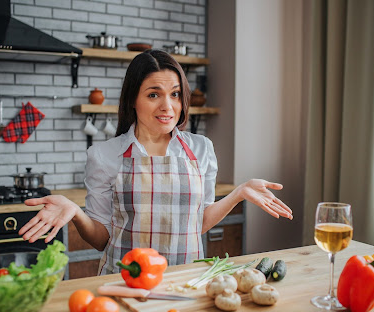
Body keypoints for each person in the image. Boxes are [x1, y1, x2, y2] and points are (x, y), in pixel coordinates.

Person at [19, 49, 293, 275]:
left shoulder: (201, 148)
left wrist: (239, 193)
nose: (168, 106)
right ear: (133, 101)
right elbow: (102, 239)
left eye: (175, 94)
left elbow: (197, 223)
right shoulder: (103, 155)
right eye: (153, 95)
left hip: (187, 280)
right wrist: (75, 211)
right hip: (127, 282)